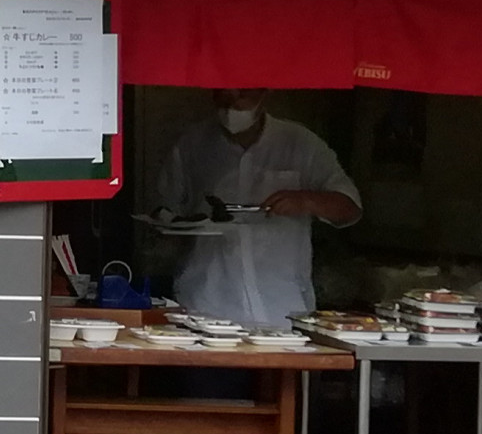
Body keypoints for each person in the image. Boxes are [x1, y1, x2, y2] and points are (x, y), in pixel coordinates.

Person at [154, 89, 362, 331]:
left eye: (241, 96)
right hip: (206, 308)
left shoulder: (301, 144)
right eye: (224, 98)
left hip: (283, 310)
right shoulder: (192, 145)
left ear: (263, 92)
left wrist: (307, 201)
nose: (232, 108)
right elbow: (165, 209)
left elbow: (351, 208)